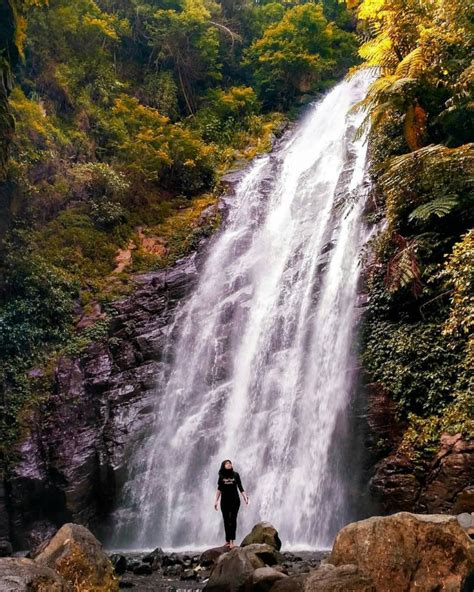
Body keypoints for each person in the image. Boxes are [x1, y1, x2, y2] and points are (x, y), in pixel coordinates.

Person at [214, 459, 249, 548]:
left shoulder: (236, 475)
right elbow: (219, 489)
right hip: (224, 501)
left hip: (235, 501)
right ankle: (227, 540)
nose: (229, 464)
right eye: (227, 463)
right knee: (226, 520)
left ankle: (232, 541)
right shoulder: (221, 476)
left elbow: (240, 487)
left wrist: (245, 496)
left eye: (230, 463)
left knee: (233, 520)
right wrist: (216, 501)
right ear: (223, 466)